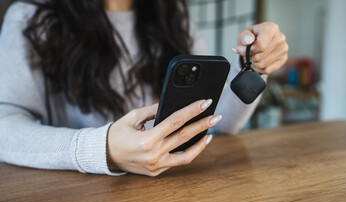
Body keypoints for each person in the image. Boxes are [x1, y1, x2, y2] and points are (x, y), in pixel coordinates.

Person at [0, 0, 288, 176]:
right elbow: (4, 127)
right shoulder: (30, 17)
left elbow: (220, 120)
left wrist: (252, 65)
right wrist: (102, 149)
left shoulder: (172, 16)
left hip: (171, 194)